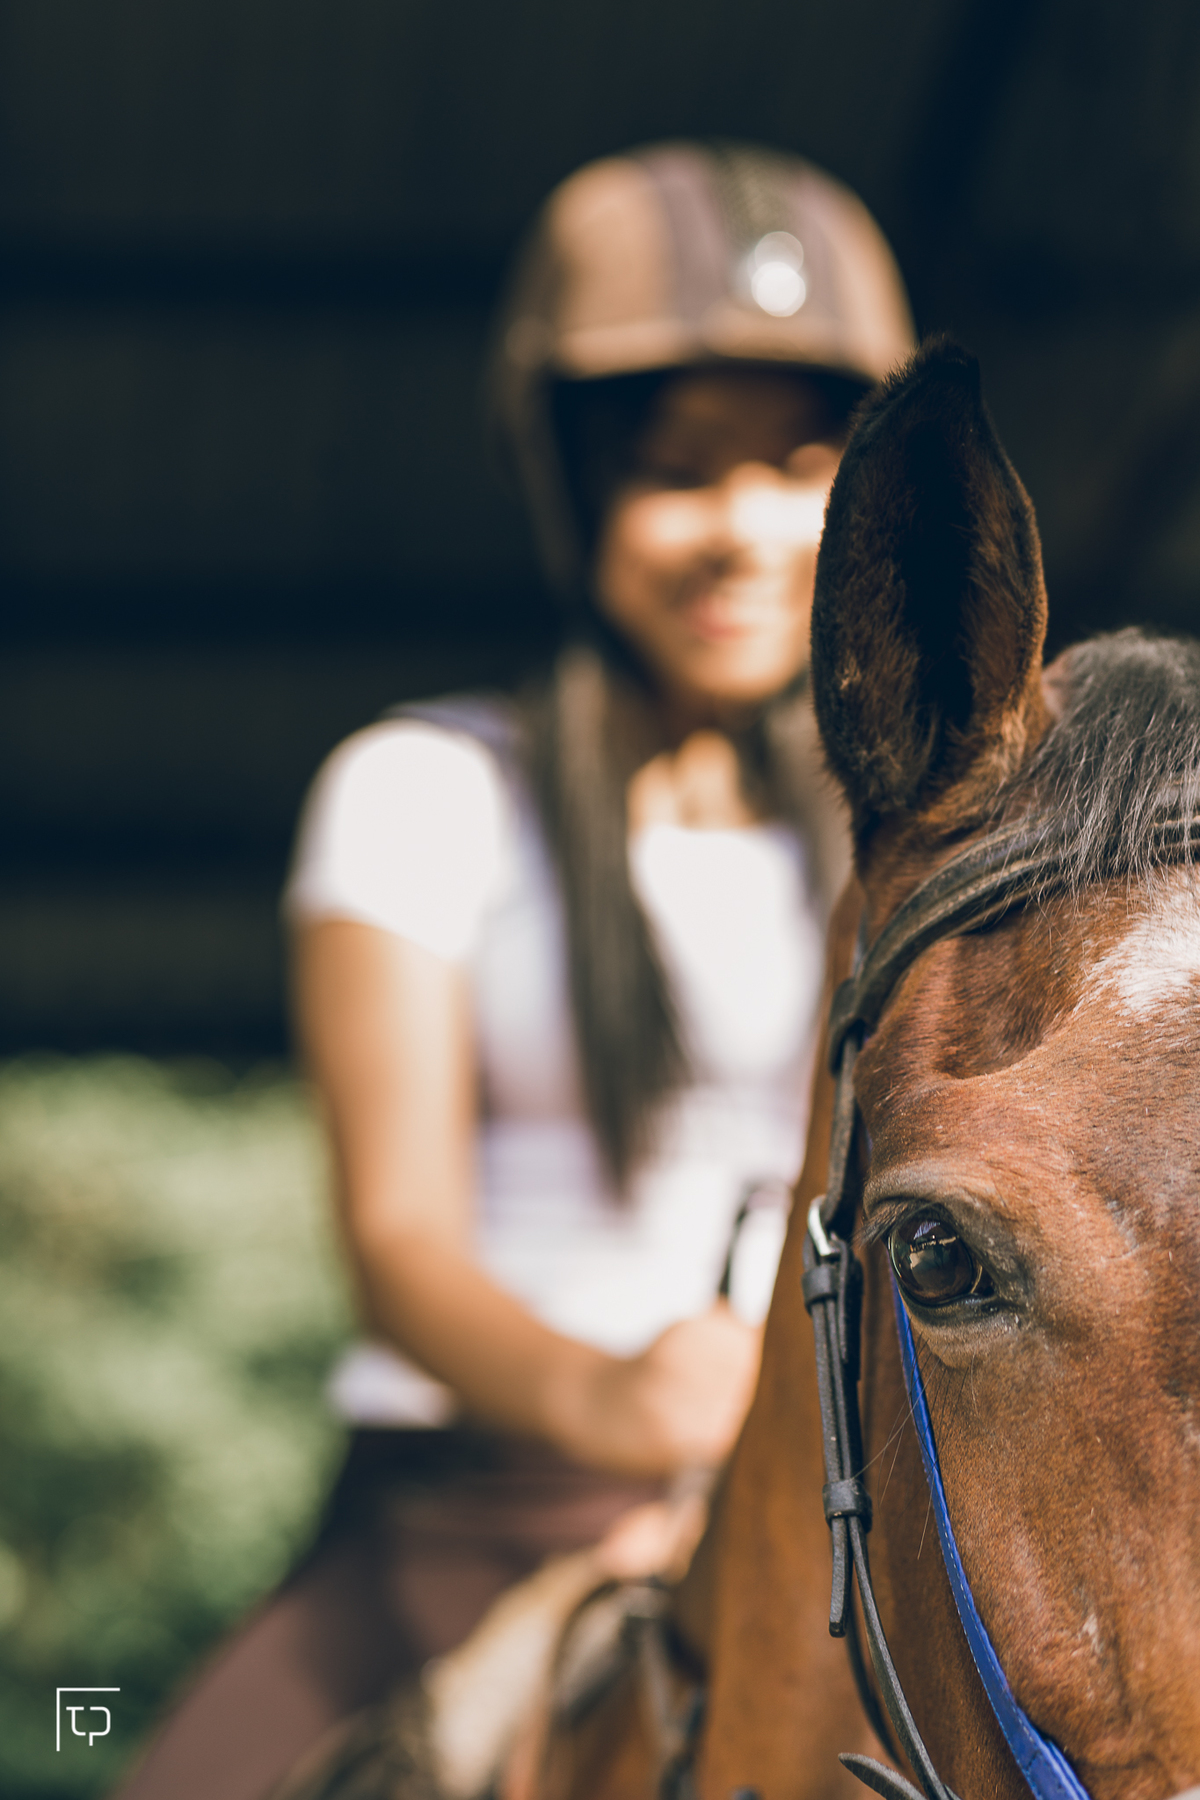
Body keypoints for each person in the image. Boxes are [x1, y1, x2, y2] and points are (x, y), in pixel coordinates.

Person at [114, 141, 914, 1800]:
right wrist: (608, 1399)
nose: (748, 528)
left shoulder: (891, 829)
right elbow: (396, 1239)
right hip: (470, 1499)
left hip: (819, 1498)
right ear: (577, 492)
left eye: (801, 464)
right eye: (682, 471)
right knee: (173, 1776)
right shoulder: (422, 791)